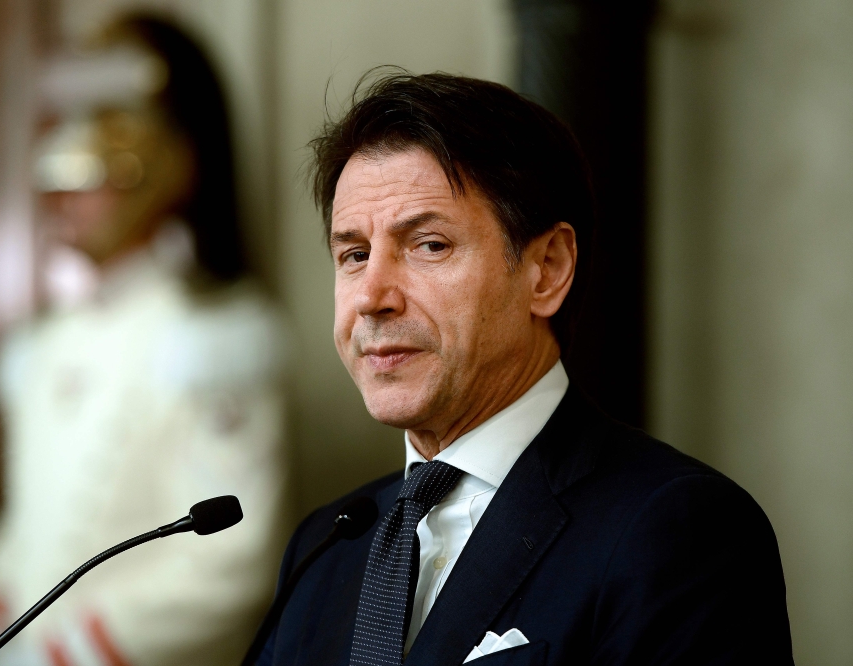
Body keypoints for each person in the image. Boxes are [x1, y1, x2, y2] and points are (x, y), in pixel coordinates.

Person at [256, 72, 792, 665]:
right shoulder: (325, 544)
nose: (372, 296)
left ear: (547, 269)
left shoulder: (677, 531)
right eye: (354, 255)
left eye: (428, 245)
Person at [0, 16, 289, 666]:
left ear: (162, 166)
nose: (65, 191)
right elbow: (27, 525)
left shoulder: (210, 340)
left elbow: (230, 562)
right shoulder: (46, 343)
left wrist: (70, 654)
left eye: (91, 164)